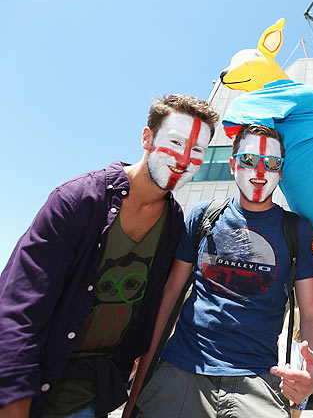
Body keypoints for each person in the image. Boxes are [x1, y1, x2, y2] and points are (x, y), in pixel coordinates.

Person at [0, 94, 219, 418]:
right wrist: (13, 400)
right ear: (147, 138)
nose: (184, 158)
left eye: (197, 150)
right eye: (176, 142)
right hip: (35, 383)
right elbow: (20, 309)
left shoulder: (175, 225)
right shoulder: (78, 200)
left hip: (92, 392)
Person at [125, 124, 313, 418]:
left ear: (281, 172)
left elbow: (311, 314)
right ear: (233, 166)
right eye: (248, 160)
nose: (259, 171)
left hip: (259, 379)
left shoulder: (297, 230)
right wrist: (142, 376)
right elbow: (169, 297)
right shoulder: (204, 216)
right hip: (182, 370)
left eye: (271, 163)